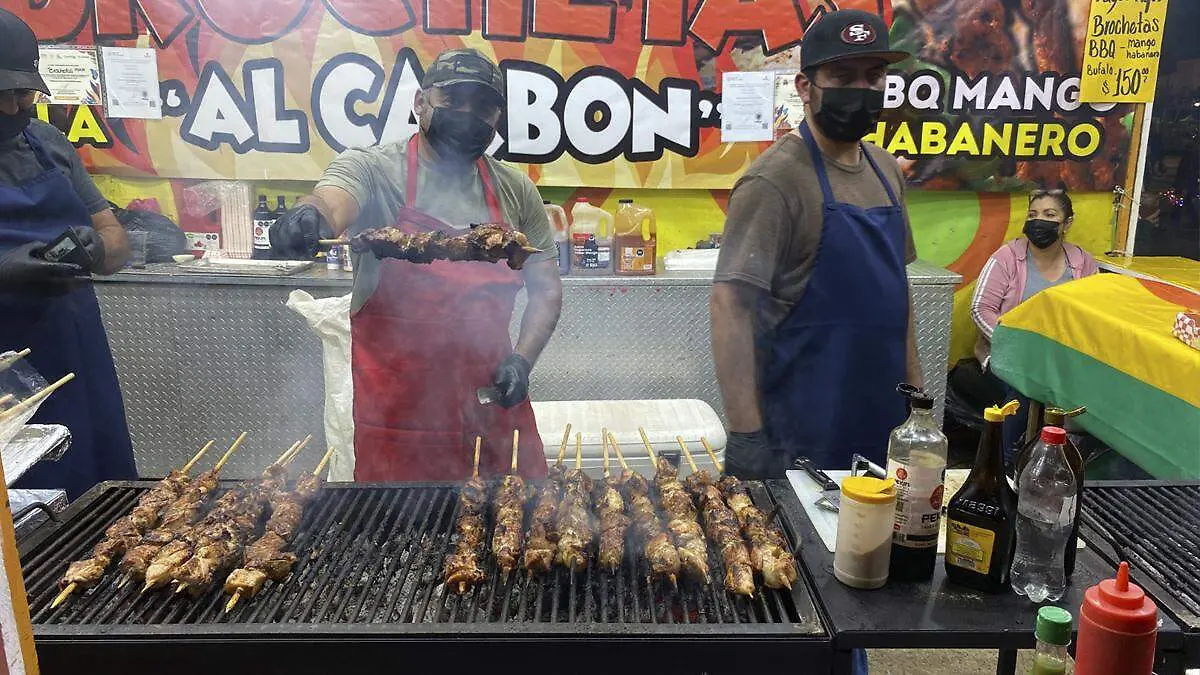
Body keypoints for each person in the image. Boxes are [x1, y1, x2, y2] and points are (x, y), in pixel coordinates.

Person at [271, 48, 561, 481]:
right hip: (397, 407)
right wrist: (309, 215)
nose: (468, 114)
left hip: (488, 396)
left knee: (514, 529)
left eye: (483, 106)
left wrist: (522, 359)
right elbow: (331, 199)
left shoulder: (515, 189)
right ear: (420, 103)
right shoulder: (372, 168)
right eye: (453, 100)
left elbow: (547, 288)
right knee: (396, 537)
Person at [712, 9, 922, 479]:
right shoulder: (774, 180)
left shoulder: (887, 170)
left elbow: (898, 295)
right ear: (806, 87)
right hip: (802, 430)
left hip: (882, 421)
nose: (862, 90)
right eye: (843, 75)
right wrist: (746, 432)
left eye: (874, 76)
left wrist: (916, 401)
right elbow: (729, 306)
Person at [0, 9, 136, 499]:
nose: (18, 106)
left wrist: (95, 248)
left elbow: (114, 241)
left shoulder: (49, 144)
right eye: (3, 93)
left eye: (25, 91)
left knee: (98, 481)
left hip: (73, 345)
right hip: (3, 370)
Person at [971, 189, 1099, 461]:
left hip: (1062, 361)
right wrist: (1015, 347)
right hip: (1008, 357)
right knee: (1026, 391)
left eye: (1050, 215)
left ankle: (1071, 465)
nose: (1039, 221)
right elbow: (980, 308)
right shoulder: (1007, 258)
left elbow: (1093, 317)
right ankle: (1001, 465)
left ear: (1067, 223)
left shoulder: (1082, 263)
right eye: (1033, 214)